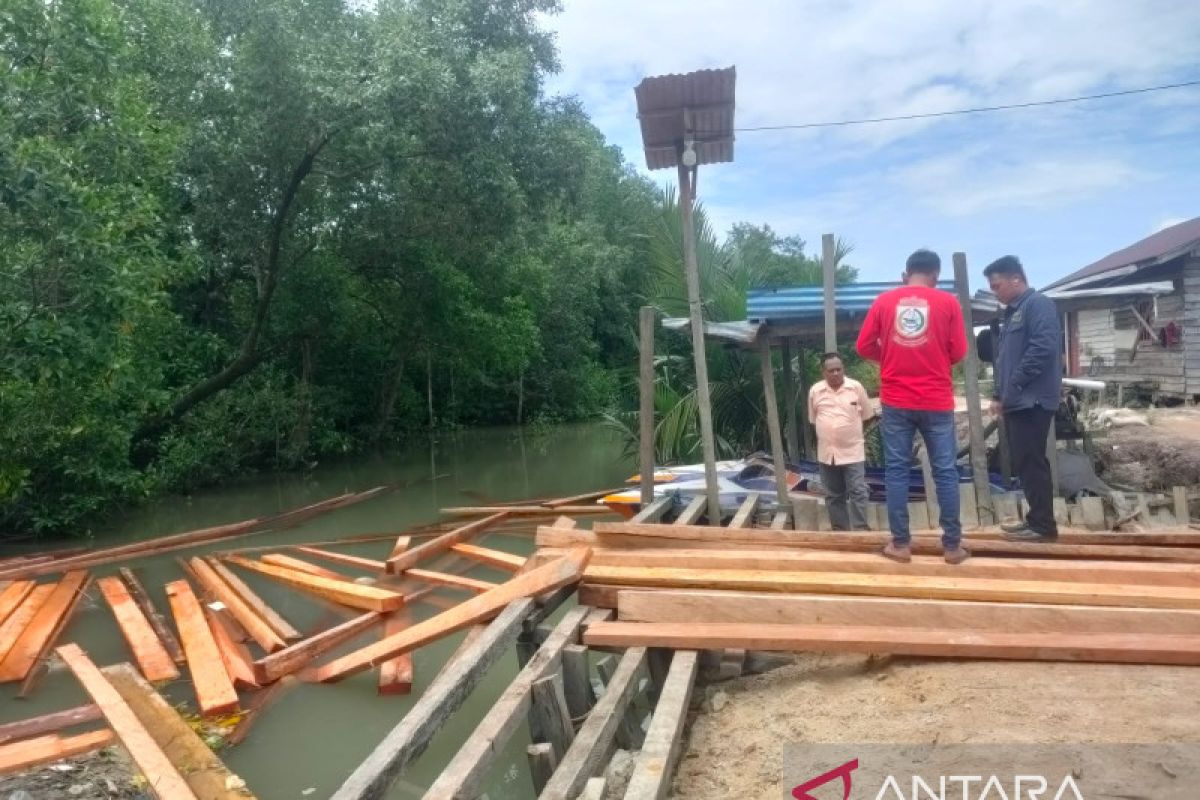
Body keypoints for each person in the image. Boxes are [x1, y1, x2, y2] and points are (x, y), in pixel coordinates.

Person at [856, 249, 969, 564]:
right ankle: (952, 547)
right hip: (936, 400)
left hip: (896, 401)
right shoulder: (948, 303)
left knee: (896, 471)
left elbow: (863, 345)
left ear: (906, 273)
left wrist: (891, 357)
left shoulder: (883, 302)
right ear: (935, 275)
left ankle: (901, 544)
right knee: (945, 471)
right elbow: (959, 350)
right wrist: (934, 360)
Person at [984, 255, 1063, 542]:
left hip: (1033, 401)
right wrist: (999, 393)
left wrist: (1013, 388)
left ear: (1016, 279)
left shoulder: (1038, 304)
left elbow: (1042, 350)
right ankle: (1036, 519)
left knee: (1032, 461)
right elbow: (1006, 360)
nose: (996, 292)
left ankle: (1043, 526)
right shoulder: (1012, 313)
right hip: (1019, 400)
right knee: (1025, 461)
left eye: (997, 286)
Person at [808, 353, 874, 530]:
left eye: (839, 369)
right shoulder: (815, 391)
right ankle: (840, 531)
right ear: (824, 372)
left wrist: (851, 432)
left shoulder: (855, 388)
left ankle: (861, 529)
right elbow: (814, 420)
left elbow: (867, 416)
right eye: (831, 370)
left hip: (853, 451)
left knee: (858, 491)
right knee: (833, 495)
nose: (836, 373)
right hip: (827, 453)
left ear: (843, 369)